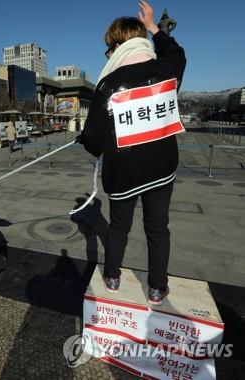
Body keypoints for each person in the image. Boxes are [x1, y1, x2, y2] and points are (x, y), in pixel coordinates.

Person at [77, 1, 186, 306]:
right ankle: (156, 287)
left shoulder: (108, 84)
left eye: (109, 47)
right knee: (158, 228)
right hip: (162, 168)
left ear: (116, 45)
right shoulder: (166, 70)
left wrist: (84, 138)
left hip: (123, 173)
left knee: (118, 227)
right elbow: (176, 53)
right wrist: (154, 28)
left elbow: (94, 141)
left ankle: (112, 276)